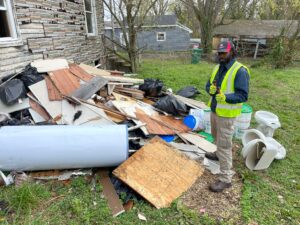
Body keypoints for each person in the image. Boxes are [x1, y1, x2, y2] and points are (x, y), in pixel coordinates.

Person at [205, 41, 250, 192]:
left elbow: (243, 95)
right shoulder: (218, 67)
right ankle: (218, 155)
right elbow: (208, 85)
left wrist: (226, 98)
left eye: (224, 53)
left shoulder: (240, 71)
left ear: (232, 52)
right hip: (215, 110)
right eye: (219, 53)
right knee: (215, 136)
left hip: (227, 114)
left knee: (224, 145)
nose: (221, 55)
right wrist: (210, 89)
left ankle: (226, 179)